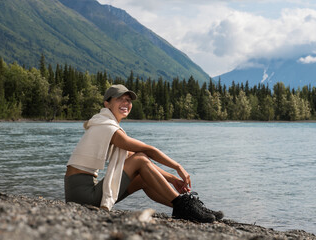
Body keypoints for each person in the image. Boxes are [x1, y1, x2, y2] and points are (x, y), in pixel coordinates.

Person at [64, 84, 223, 223]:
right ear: (107, 103)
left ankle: (187, 207)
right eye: (120, 99)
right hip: (82, 196)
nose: (126, 103)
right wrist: (177, 166)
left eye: (129, 100)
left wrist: (173, 179)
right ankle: (183, 206)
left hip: (82, 192)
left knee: (143, 177)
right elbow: (147, 151)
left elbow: (134, 159)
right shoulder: (106, 127)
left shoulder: (103, 122)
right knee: (140, 158)